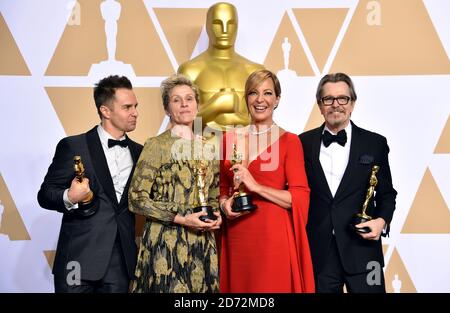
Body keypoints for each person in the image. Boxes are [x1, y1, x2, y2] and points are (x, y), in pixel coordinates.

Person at [37, 75, 142, 293]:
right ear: (105, 111)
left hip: (120, 264)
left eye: (135, 106)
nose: (135, 113)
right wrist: (69, 196)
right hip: (78, 261)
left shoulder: (140, 152)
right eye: (127, 107)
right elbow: (46, 194)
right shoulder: (73, 146)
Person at [299, 72, 397, 293]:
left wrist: (381, 222)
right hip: (319, 254)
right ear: (320, 105)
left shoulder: (375, 143)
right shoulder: (302, 143)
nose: (336, 105)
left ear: (352, 103)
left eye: (342, 98)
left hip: (364, 252)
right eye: (328, 99)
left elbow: (387, 194)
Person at [219, 69, 315, 292]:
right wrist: (224, 205)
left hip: (273, 238)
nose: (260, 99)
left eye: (268, 93)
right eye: (253, 93)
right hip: (237, 236)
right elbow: (222, 189)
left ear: (277, 99)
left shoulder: (290, 141)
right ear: (247, 99)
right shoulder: (228, 138)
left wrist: (256, 187)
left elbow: (299, 198)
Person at [129, 74, 222, 293]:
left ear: (197, 106)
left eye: (189, 99)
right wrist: (181, 219)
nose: (184, 105)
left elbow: (213, 195)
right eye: (176, 100)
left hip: (201, 243)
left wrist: (216, 217)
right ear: (167, 108)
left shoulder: (209, 149)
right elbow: (136, 200)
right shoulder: (156, 145)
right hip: (165, 243)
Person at [178, 2, 264, 130]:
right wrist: (216, 105)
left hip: (247, 147)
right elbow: (181, 123)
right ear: (207, 26)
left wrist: (237, 120)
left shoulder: (255, 71)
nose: (224, 30)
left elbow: (265, 122)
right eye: (217, 23)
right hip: (203, 147)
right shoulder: (190, 70)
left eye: (231, 24)